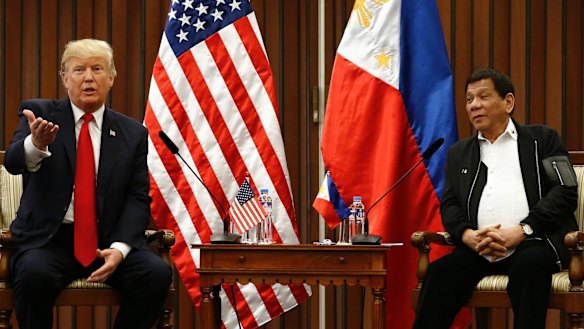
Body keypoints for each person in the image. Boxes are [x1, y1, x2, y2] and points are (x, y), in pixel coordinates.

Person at [4, 39, 172, 329]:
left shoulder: (132, 133)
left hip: (108, 240)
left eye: (97, 68)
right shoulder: (39, 115)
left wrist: (120, 249)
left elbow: (137, 198)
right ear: (65, 78)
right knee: (32, 275)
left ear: (111, 77)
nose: (89, 77)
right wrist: (35, 143)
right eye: (79, 69)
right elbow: (13, 162)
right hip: (49, 241)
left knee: (156, 273)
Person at [412, 68, 579, 329]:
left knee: (530, 266)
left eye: (483, 96)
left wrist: (523, 230)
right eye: (469, 99)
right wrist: (468, 235)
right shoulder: (460, 153)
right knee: (441, 273)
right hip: (479, 249)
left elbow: (565, 191)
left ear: (508, 102)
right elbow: (450, 204)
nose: (474, 105)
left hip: (533, 242)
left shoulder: (543, 140)